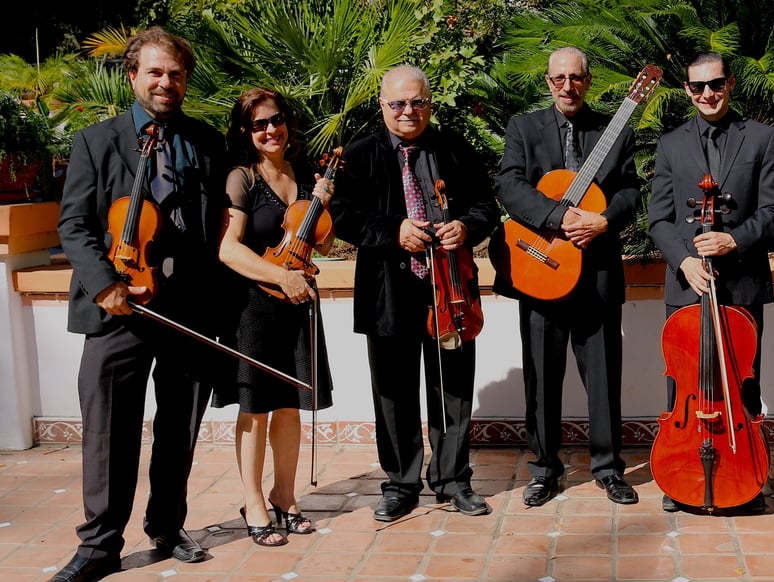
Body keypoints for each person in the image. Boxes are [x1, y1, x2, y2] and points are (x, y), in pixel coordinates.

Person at [54, 27, 227, 581]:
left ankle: (168, 525)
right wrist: (104, 283)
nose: (165, 82)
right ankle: (99, 546)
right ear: (133, 76)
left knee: (179, 426)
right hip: (119, 307)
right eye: (154, 72)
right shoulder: (95, 141)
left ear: (185, 80)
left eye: (175, 73)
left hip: (187, 307)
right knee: (109, 430)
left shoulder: (206, 141)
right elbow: (75, 225)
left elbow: (217, 225)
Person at [330, 65, 498, 522]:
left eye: (418, 102)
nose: (408, 111)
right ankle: (400, 483)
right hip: (387, 291)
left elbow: (486, 206)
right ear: (382, 105)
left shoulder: (455, 148)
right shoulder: (360, 155)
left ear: (430, 104)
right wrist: (393, 230)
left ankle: (453, 479)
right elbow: (342, 215)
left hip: (450, 288)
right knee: (393, 392)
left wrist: (466, 227)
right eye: (399, 103)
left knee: (453, 388)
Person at [494, 46, 642, 507]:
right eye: (559, 78)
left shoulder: (615, 131)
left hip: (597, 271)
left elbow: (631, 190)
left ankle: (608, 468)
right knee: (541, 376)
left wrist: (603, 220)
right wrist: (559, 216)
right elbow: (509, 185)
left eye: (576, 77)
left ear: (588, 80)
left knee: (603, 376)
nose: (567, 85)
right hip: (542, 267)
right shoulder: (524, 128)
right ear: (548, 81)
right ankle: (544, 468)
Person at [648, 51, 774, 513]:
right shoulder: (671, 144)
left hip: (742, 283)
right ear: (687, 90)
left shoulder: (763, 138)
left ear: (730, 84)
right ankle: (680, 477)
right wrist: (684, 261)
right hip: (688, 286)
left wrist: (734, 239)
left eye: (715, 84)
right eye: (697, 86)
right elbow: (659, 219)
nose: (707, 94)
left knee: (743, 388)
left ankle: (745, 478)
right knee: (683, 388)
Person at [213, 88, 334, 546]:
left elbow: (324, 245)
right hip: (253, 305)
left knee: (289, 406)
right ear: (246, 131)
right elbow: (228, 249)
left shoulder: (303, 175)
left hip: (298, 304)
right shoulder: (241, 178)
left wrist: (323, 204)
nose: (270, 130)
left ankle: (285, 496)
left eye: (276, 119)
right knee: (255, 409)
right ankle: (254, 502)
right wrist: (280, 277)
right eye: (259, 124)